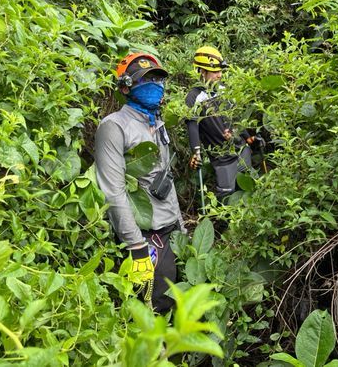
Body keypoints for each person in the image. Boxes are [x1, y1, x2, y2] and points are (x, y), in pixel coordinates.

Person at [95, 52, 185, 312]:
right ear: (126, 86)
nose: (154, 85)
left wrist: (181, 228)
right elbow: (113, 190)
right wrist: (136, 246)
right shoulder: (114, 126)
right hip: (146, 237)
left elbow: (166, 181)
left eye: (158, 79)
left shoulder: (158, 123)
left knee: (176, 307)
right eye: (146, 80)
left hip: (171, 232)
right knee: (154, 310)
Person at [185, 46, 262, 200]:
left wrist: (248, 138)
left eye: (220, 71)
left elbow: (236, 118)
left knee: (248, 189)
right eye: (215, 72)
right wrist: (196, 152)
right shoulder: (194, 97)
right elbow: (192, 125)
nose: (219, 75)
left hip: (241, 150)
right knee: (227, 195)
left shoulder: (224, 90)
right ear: (201, 71)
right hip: (222, 158)